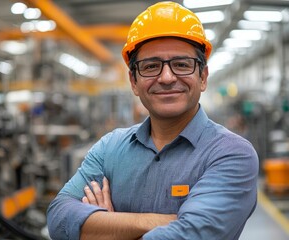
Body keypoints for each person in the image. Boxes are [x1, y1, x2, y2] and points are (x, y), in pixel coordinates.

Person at [47, 2, 259, 239]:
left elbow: (193, 235)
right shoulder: (109, 148)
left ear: (203, 77)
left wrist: (106, 226)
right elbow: (59, 219)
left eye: (181, 65)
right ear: (134, 82)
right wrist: (164, 221)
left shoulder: (232, 153)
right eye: (151, 66)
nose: (167, 77)